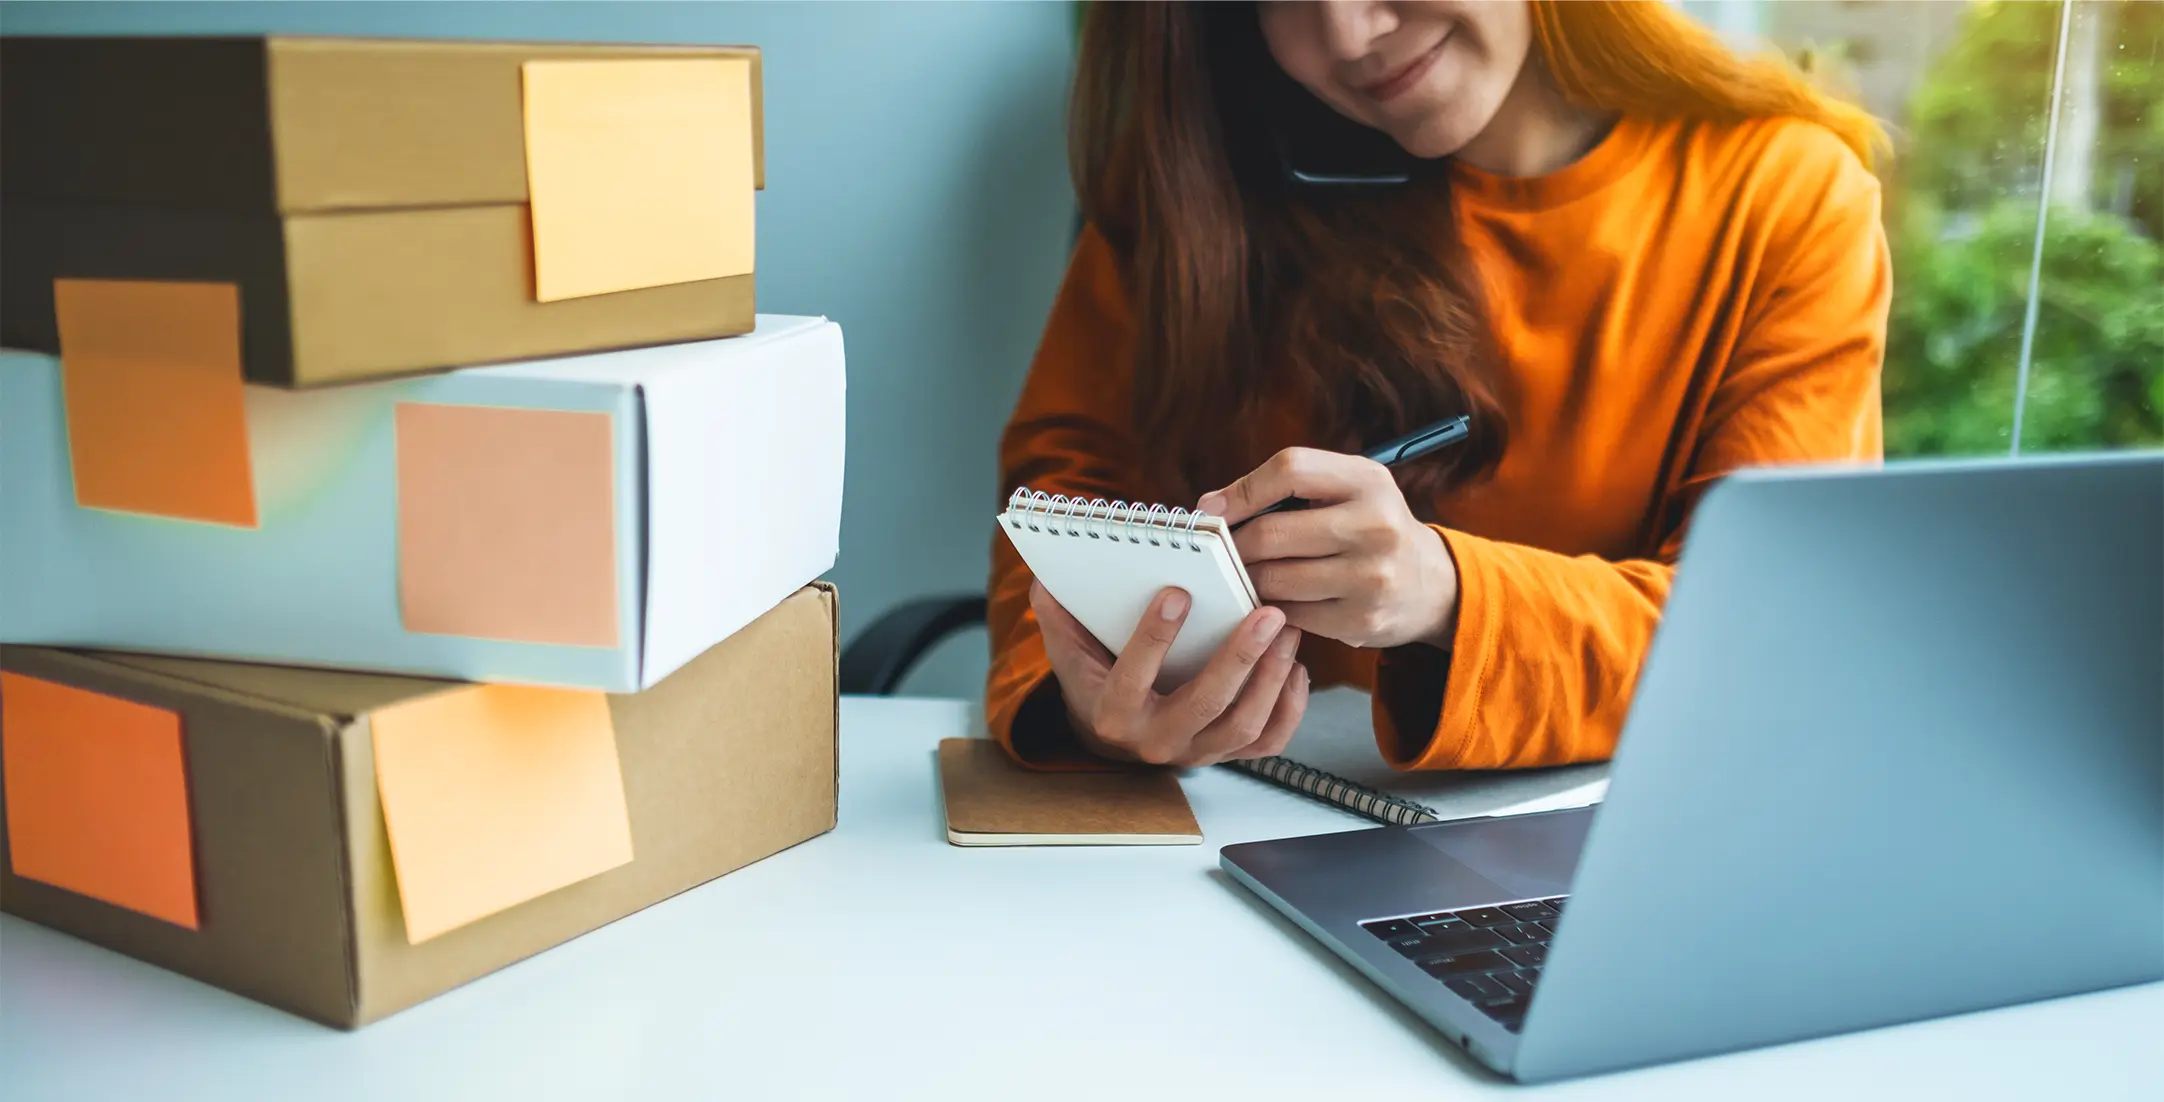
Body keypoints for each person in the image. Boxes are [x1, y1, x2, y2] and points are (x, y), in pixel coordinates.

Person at [988, 0, 1889, 771]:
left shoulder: (1786, 200)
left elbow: (1769, 645)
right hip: (1233, 839)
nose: (1348, 34)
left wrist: (1447, 597)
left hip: (1605, 867)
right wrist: (1096, 708)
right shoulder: (1199, 186)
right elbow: (1060, 501)